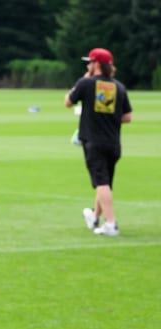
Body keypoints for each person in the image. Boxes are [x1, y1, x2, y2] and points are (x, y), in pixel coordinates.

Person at [65, 48, 132, 236]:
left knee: (101, 183)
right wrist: (107, 116)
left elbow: (68, 102)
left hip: (93, 141)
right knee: (105, 182)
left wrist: (85, 77)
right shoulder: (118, 87)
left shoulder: (86, 83)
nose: (88, 65)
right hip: (113, 142)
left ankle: (111, 224)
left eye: (90, 62)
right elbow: (127, 117)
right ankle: (95, 218)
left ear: (96, 64)